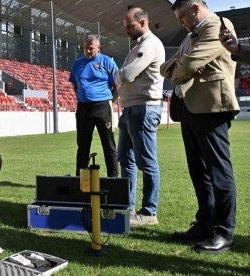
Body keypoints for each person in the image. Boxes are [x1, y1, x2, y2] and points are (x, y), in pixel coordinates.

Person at [160, 0, 239, 254]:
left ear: (196, 8)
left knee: (218, 171)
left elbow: (190, 64)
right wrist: (179, 67)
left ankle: (225, 232)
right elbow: (167, 66)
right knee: (199, 172)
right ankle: (205, 224)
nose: (181, 23)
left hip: (212, 107)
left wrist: (179, 67)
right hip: (191, 107)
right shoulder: (190, 35)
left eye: (183, 17)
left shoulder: (217, 25)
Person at [115, 8, 164, 226]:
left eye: (129, 26)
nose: (126, 30)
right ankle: (128, 207)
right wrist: (120, 77)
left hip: (143, 108)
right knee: (125, 159)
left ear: (143, 22)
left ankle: (149, 212)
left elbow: (125, 74)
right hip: (131, 108)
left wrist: (118, 76)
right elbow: (124, 76)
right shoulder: (138, 46)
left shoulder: (149, 45)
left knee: (146, 162)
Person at [69, 34, 118, 177]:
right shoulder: (77, 64)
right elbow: (75, 85)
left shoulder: (108, 62)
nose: (88, 51)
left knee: (109, 146)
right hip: (83, 108)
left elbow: (117, 86)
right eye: (85, 48)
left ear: (98, 48)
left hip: (103, 107)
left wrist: (108, 101)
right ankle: (80, 180)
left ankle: (113, 179)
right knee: (82, 146)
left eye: (91, 48)